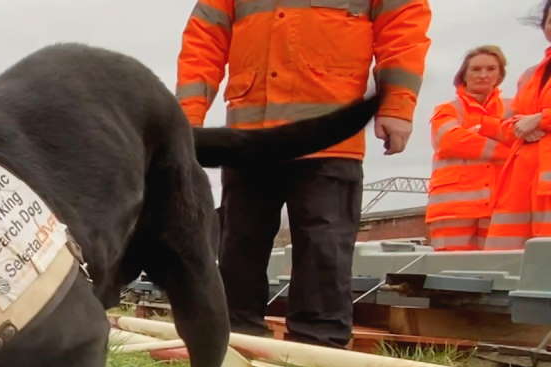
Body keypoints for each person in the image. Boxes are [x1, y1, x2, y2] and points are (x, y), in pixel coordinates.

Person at [177, 0, 432, 347]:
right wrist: (186, 119)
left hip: (328, 134)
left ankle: (319, 345)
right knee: (240, 244)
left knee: (323, 245)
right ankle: (234, 339)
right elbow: (203, 40)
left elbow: (403, 30)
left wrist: (398, 105)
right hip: (253, 134)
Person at [426, 47, 512, 249]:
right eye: (476, 69)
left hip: (499, 208)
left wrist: (477, 133)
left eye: (491, 69)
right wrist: (507, 151)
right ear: (464, 74)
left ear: (500, 74)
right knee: (451, 274)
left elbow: (526, 139)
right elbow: (450, 141)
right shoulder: (448, 109)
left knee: (497, 271)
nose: (483, 75)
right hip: (453, 210)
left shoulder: (513, 108)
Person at [486, 2, 551, 250]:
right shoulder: (530, 75)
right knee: (506, 257)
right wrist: (518, 125)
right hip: (520, 180)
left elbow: (533, 117)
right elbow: (509, 120)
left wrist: (540, 119)